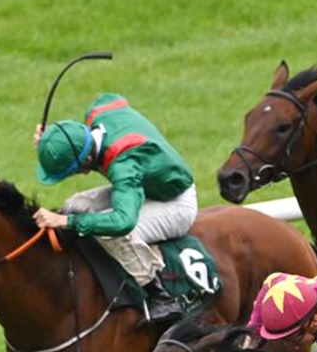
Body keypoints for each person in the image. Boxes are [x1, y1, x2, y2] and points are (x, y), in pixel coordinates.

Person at [32, 93, 198, 309]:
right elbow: (111, 99)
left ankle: (160, 295)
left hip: (176, 203)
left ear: (88, 159)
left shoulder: (123, 165)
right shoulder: (98, 114)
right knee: (74, 205)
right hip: (144, 184)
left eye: (75, 170)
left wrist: (67, 222)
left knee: (108, 232)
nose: (77, 174)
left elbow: (123, 222)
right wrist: (54, 139)